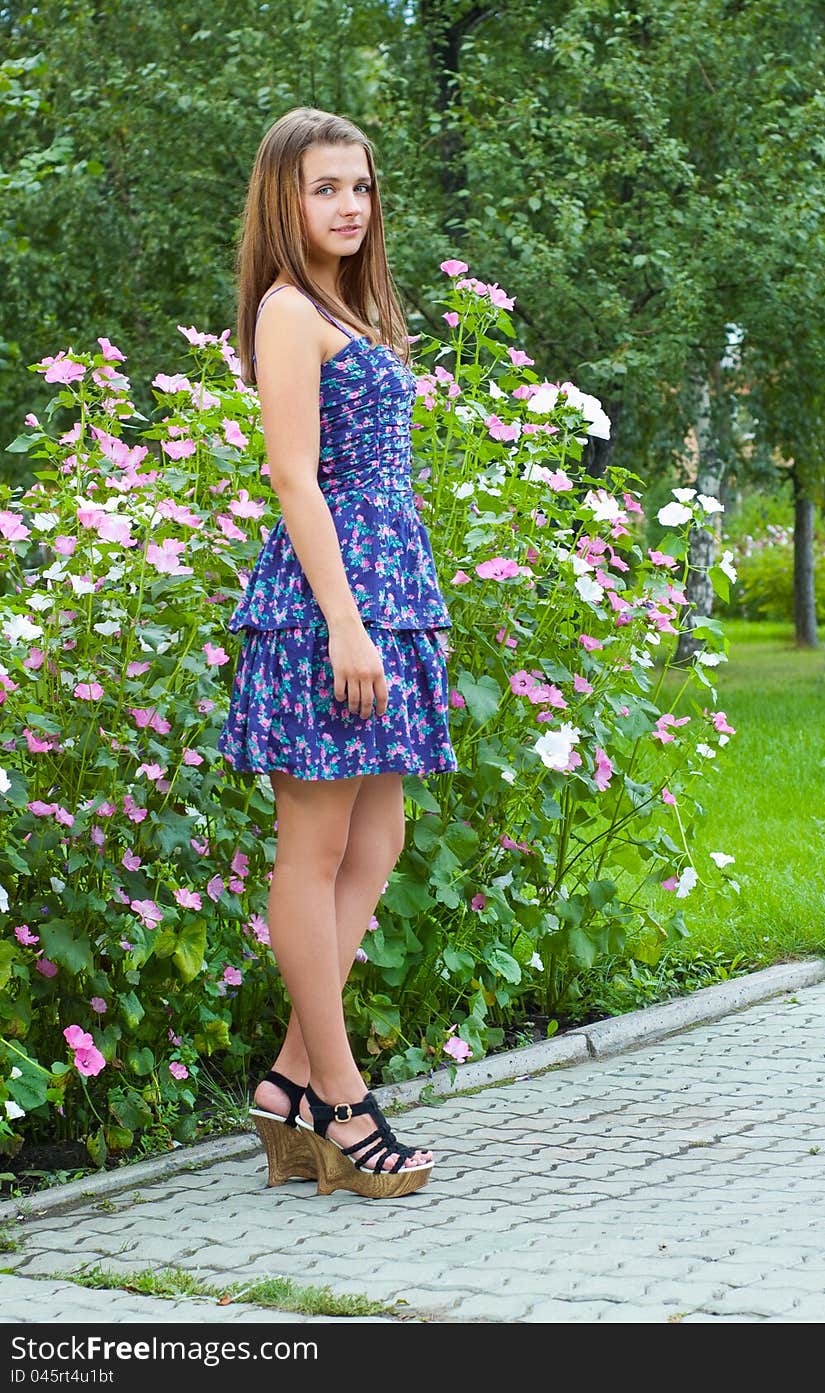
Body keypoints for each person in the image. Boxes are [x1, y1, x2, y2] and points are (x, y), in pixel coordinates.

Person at [217, 107, 457, 1199]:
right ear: (285, 198)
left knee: (382, 830)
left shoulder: (347, 308)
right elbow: (291, 475)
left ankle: (288, 1079)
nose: (349, 205)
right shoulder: (284, 310)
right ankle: (341, 1100)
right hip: (330, 605)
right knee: (312, 843)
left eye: (360, 185)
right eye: (325, 188)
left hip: (383, 587)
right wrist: (348, 621)